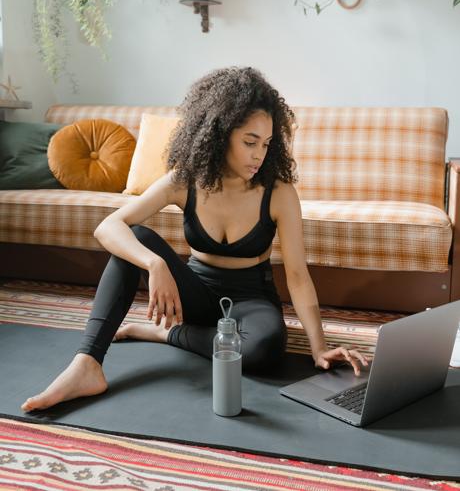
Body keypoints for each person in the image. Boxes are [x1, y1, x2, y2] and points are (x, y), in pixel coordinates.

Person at [22, 67, 367, 412]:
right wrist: (154, 263)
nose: (259, 154)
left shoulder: (278, 192)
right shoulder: (184, 180)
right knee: (135, 238)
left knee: (265, 349)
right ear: (219, 133)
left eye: (266, 144)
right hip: (195, 296)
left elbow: (297, 276)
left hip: (251, 302)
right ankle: (87, 364)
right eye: (249, 142)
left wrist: (319, 347)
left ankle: (166, 333)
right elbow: (108, 227)